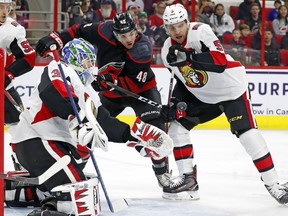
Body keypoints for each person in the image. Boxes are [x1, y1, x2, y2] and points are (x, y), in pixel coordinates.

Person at [8, 38, 172, 215]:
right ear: (74, 60)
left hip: (52, 145)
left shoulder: (88, 90)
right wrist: (75, 117)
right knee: (79, 196)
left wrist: (132, 136)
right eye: (87, 61)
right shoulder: (60, 69)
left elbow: (103, 120)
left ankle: (17, 192)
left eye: (92, 61)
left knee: (81, 185)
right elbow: (52, 93)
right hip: (36, 141)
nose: (91, 66)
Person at [159, 3, 288, 204]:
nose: (176, 31)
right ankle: (189, 180)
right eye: (171, 27)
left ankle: (274, 185)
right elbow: (182, 80)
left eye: (179, 25)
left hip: (231, 89)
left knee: (247, 135)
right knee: (177, 127)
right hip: (203, 96)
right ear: (165, 28)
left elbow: (220, 62)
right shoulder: (167, 50)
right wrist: (174, 104)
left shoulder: (200, 31)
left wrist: (190, 58)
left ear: (187, 22)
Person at [35, 12, 173, 188]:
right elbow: (77, 31)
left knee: (156, 130)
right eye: (124, 36)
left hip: (142, 91)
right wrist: (56, 38)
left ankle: (162, 173)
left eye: (131, 33)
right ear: (115, 33)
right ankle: (74, 170)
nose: (129, 39)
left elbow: (133, 83)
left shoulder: (143, 48)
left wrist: (110, 82)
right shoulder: (102, 30)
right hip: (112, 95)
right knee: (89, 125)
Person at [0, 0, 36, 169]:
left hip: (3, 88)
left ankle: (22, 162)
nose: (4, 12)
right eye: (0, 7)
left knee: (21, 126)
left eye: (6, 7)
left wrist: (9, 73)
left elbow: (29, 58)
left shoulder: (12, 29)